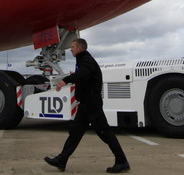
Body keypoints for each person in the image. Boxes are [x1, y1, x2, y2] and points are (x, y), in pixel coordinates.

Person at [44, 38, 130, 173]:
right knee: (75, 133)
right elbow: (83, 76)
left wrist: (65, 80)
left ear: (79, 48)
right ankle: (62, 160)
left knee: (105, 133)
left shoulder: (86, 61)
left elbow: (84, 74)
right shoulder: (83, 60)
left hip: (92, 105)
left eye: (73, 46)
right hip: (86, 105)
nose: (70, 49)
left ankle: (122, 161)